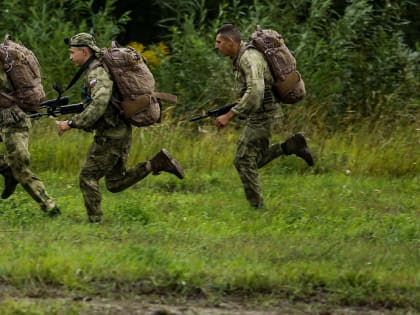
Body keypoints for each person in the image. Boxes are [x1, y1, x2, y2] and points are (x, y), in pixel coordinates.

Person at [56, 33, 184, 223]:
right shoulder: (99, 69)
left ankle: (95, 222)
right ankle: (156, 163)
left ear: (84, 51)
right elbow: (102, 102)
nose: (70, 57)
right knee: (115, 183)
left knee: (87, 177)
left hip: (110, 136)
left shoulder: (96, 72)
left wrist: (71, 123)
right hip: (119, 132)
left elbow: (99, 103)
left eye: (72, 53)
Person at [214, 24, 314, 208]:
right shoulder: (243, 57)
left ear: (230, 42)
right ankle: (291, 146)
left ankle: (257, 209)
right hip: (263, 113)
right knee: (251, 160)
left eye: (219, 42)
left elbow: (256, 92)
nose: (216, 46)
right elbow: (254, 91)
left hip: (264, 114)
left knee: (243, 160)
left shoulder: (248, 58)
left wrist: (229, 116)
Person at [0, 45, 60, 216]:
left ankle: (49, 205)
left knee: (19, 165)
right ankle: (6, 170)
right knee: (14, 166)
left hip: (12, 119)